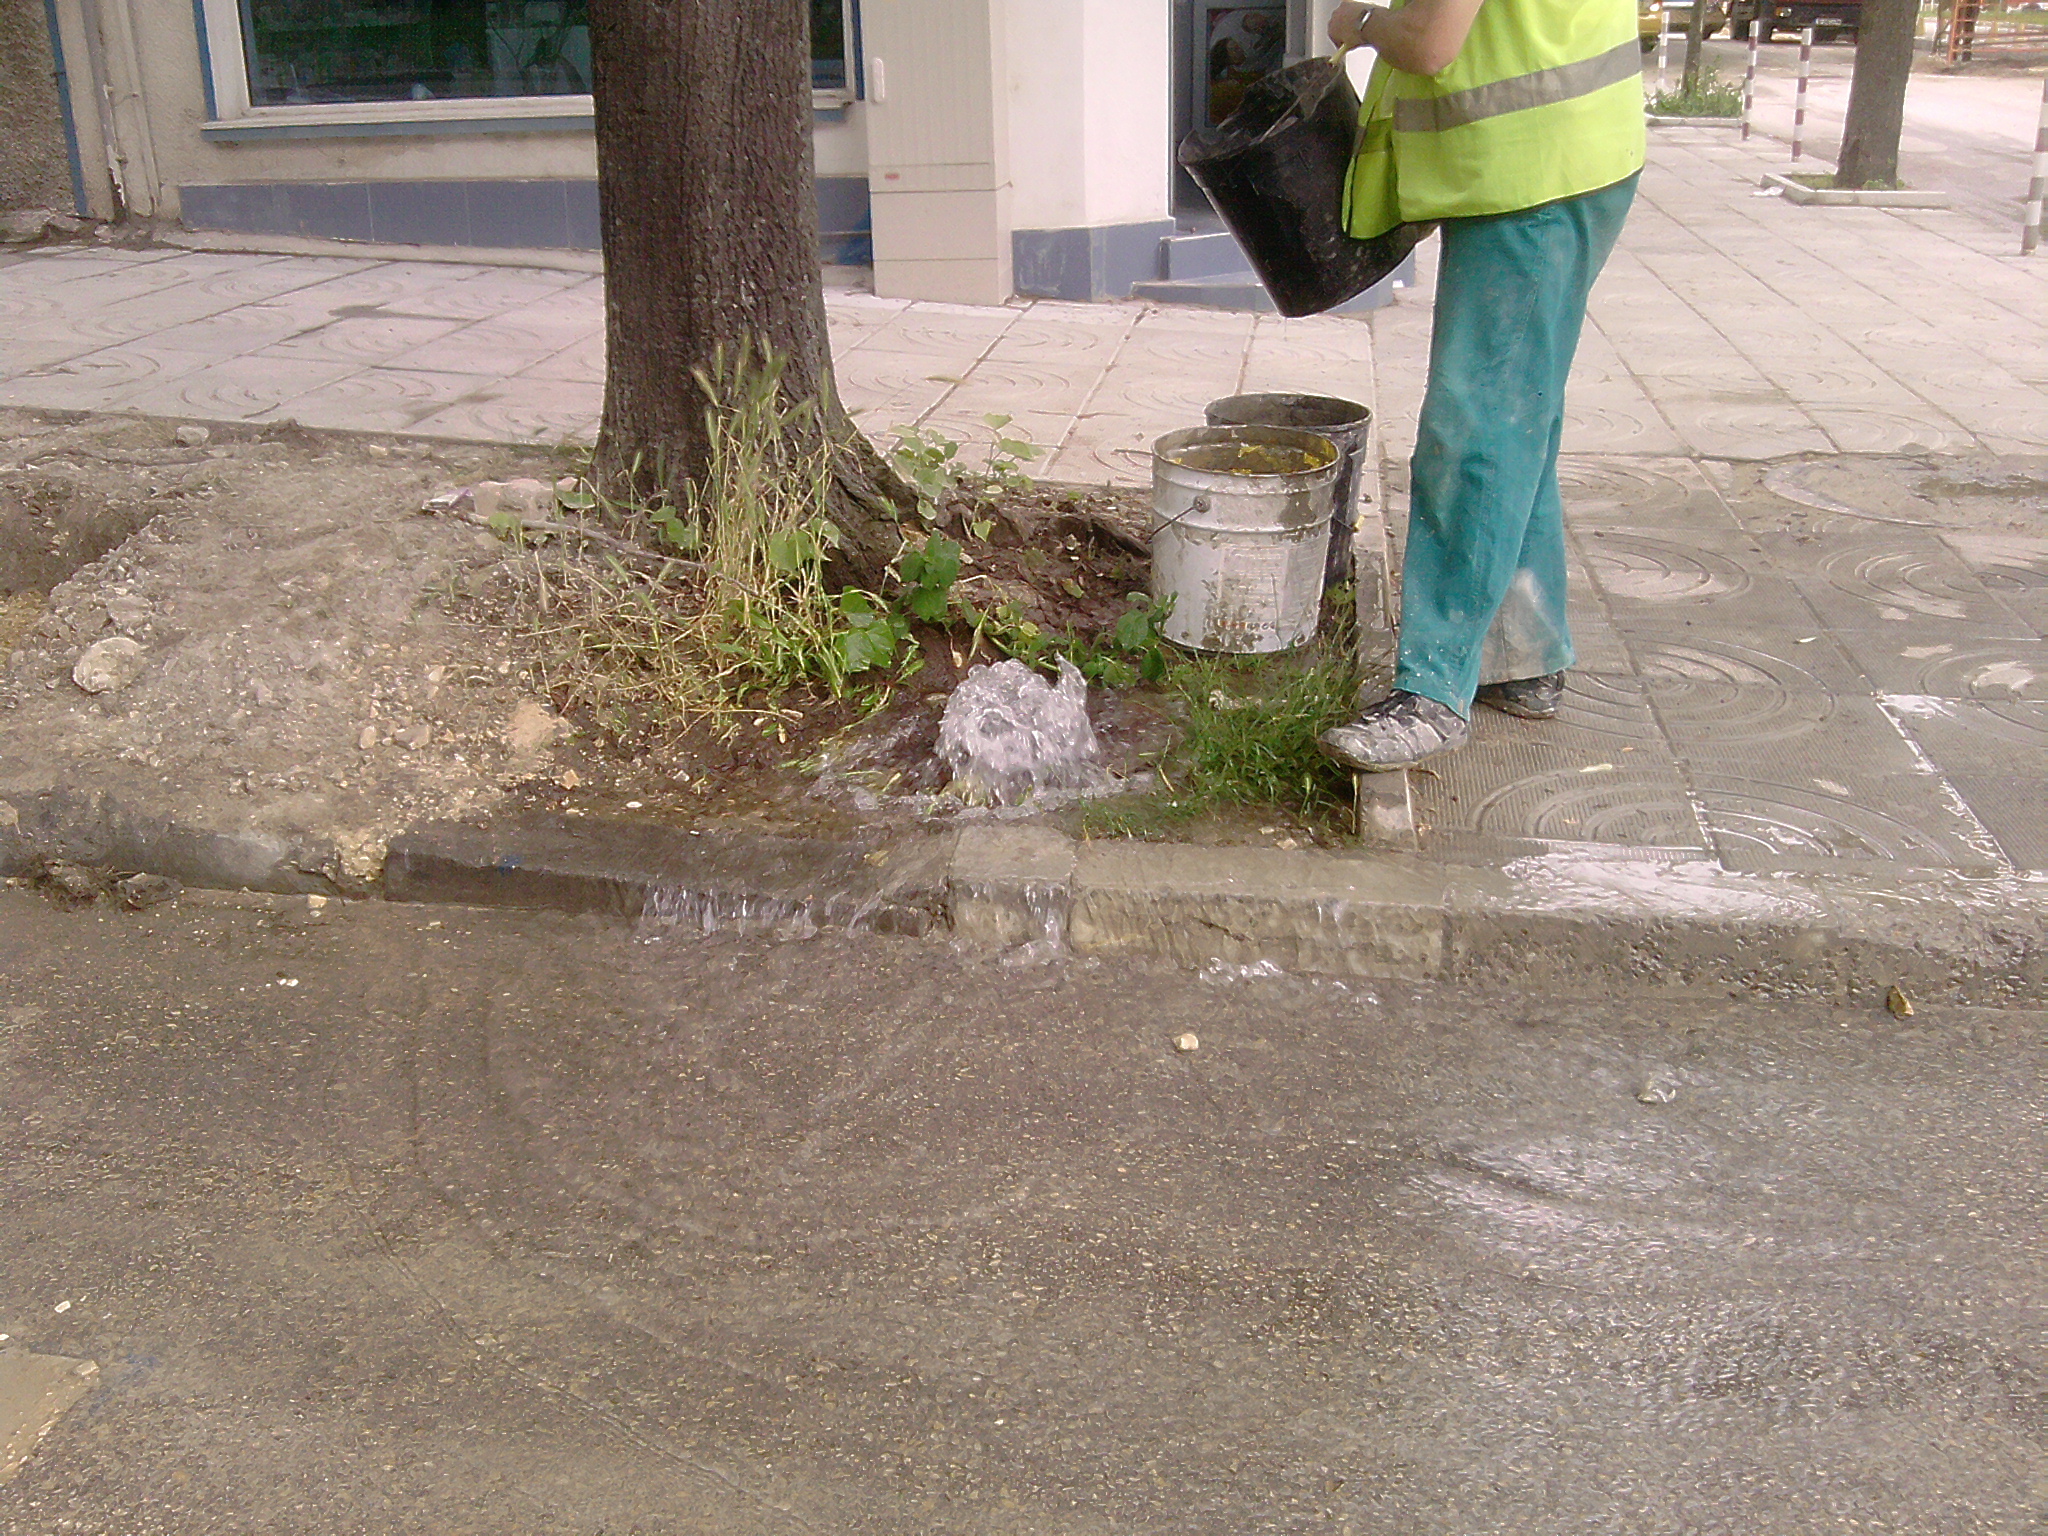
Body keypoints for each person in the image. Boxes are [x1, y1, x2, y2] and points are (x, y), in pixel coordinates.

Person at [1316, 0, 1646, 771]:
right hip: (1576, 153)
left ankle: (1433, 690)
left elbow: (1431, 43)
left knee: (1475, 430)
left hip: (1530, 174)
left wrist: (1360, 22)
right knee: (1518, 414)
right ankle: (1525, 654)